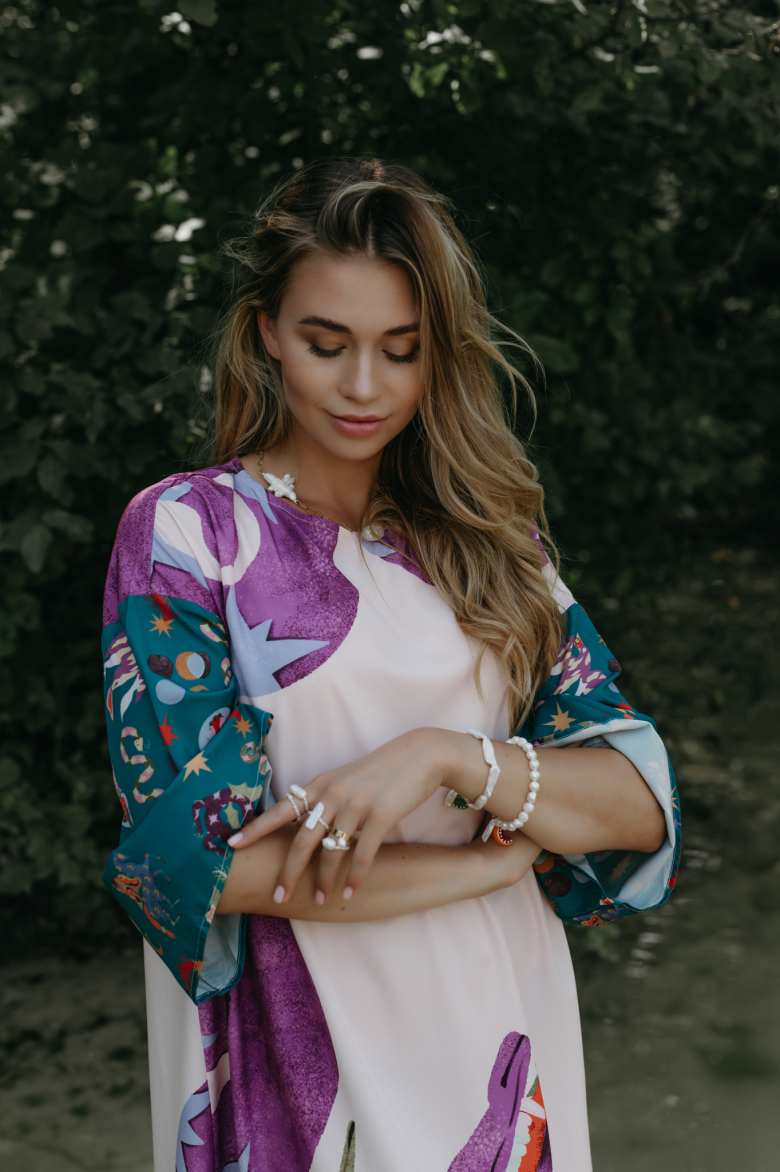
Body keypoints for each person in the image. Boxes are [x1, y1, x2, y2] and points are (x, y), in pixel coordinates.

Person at [101, 158, 679, 1172]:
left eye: (401, 350)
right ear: (266, 331)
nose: (364, 386)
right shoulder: (191, 537)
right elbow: (202, 867)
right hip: (296, 1042)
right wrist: (490, 863)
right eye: (327, 344)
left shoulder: (492, 540)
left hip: (499, 1021)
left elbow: (638, 804)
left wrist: (447, 756)